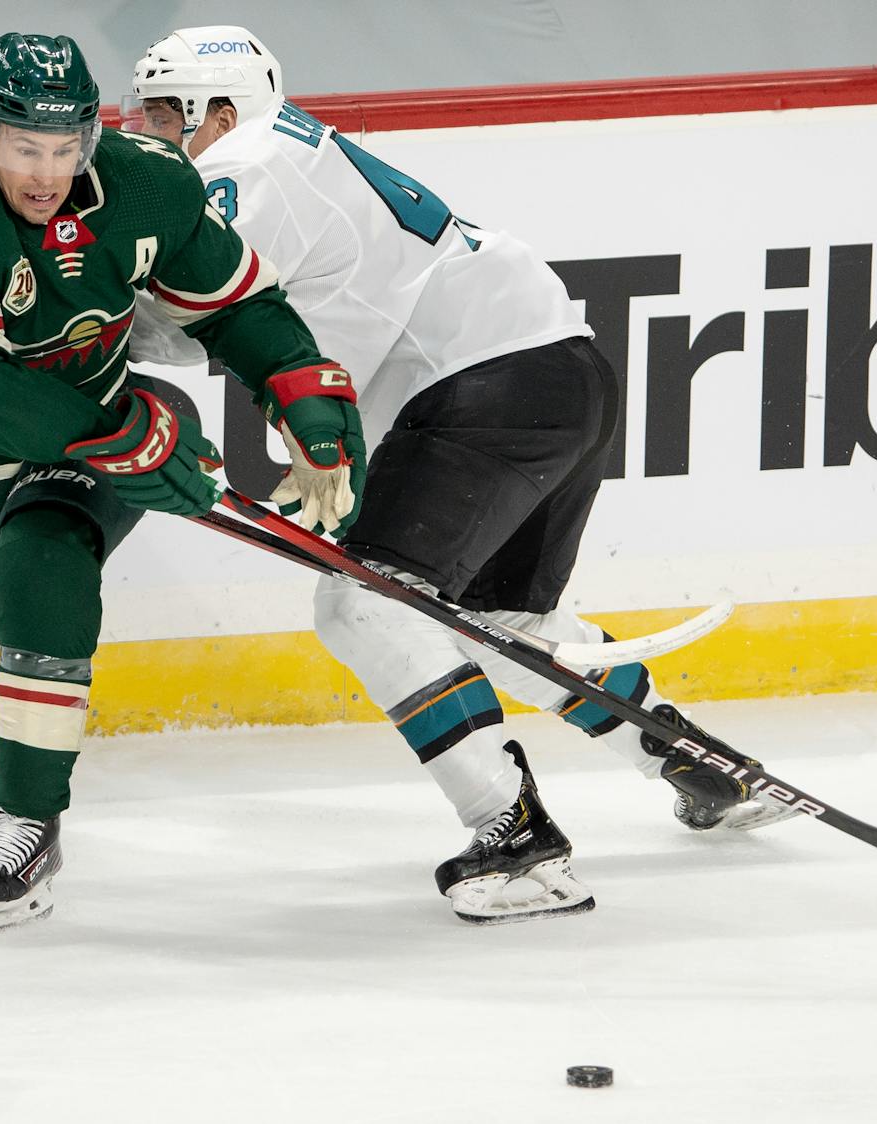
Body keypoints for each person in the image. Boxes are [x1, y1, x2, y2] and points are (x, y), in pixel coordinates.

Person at [124, 26, 795, 924]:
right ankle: (696, 761)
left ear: (221, 109)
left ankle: (515, 839)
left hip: (486, 389)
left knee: (364, 603)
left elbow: (183, 318)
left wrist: (55, 331)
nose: (153, 137)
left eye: (167, 116)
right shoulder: (296, 151)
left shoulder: (243, 169)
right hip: (564, 372)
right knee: (503, 621)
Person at [0, 31, 364, 938]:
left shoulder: (151, 181)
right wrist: (119, 431)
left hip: (82, 445)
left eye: (67, 149)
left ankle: (27, 820)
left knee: (43, 572)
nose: (47, 173)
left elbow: (235, 305)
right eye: (27, 148)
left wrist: (298, 387)